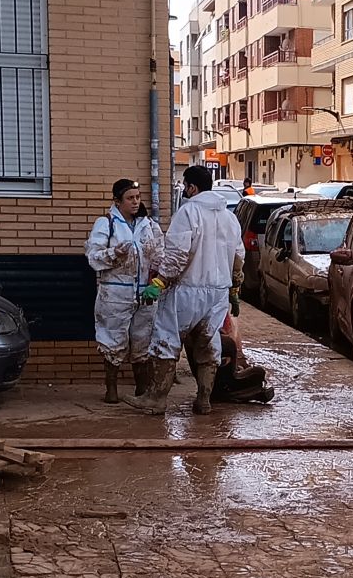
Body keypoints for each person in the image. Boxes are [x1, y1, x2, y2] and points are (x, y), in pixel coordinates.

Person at [137, 164, 243, 415]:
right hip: (217, 292)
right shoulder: (229, 217)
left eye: (185, 186)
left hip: (187, 289)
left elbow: (177, 254)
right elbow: (239, 256)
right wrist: (234, 289)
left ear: (192, 187)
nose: (184, 190)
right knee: (208, 343)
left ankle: (155, 400)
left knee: (167, 339)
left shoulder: (188, 213)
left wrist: (160, 282)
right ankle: (204, 399)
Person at [85, 178, 162, 404]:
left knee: (143, 342)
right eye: (130, 198)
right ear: (117, 201)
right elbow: (93, 258)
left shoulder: (149, 225)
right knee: (112, 341)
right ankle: (111, 390)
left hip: (145, 295)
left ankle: (142, 391)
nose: (136, 202)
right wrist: (114, 255)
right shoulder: (105, 223)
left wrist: (156, 280)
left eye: (138, 197)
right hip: (115, 294)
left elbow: (160, 254)